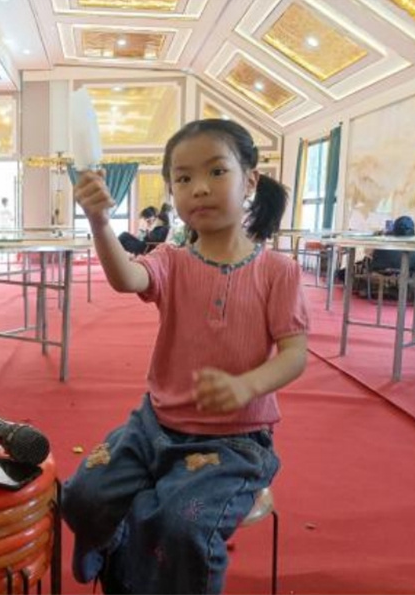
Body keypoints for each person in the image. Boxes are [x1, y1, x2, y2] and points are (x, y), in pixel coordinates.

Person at [64, 118, 308, 594]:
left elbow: (294, 354)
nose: (199, 188)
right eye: (183, 178)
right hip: (153, 426)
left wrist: (248, 385)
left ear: (250, 181)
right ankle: (118, 555)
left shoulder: (278, 270)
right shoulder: (171, 259)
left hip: (235, 442)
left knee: (181, 524)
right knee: (83, 496)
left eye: (217, 171)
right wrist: (98, 222)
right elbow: (126, 278)